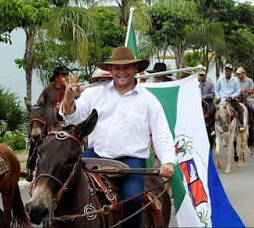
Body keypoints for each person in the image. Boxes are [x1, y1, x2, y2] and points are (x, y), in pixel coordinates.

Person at [60, 47, 176, 228]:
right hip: (96, 154)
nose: (121, 72)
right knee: (59, 186)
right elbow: (74, 116)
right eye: (117, 68)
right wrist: (68, 100)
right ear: (111, 70)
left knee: (132, 198)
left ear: (136, 68)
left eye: (127, 67)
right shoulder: (95, 92)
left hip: (131, 161)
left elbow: (161, 133)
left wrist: (168, 161)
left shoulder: (149, 100)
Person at [215, 64, 245, 131]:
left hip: (231, 100)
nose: (227, 72)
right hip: (221, 99)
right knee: (211, 110)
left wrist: (232, 96)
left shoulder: (235, 80)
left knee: (240, 109)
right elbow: (216, 90)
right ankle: (212, 128)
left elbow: (238, 91)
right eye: (226, 71)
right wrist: (218, 96)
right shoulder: (220, 79)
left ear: (231, 72)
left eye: (228, 71)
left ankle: (241, 125)